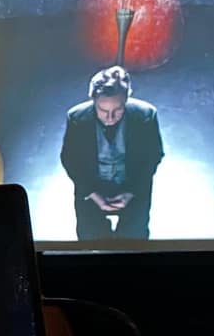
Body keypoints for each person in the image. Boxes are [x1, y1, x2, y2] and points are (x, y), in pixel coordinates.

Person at [60, 65, 164, 240]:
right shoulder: (76, 118)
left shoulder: (146, 116)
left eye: (118, 110)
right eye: (103, 111)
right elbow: (69, 159)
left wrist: (131, 192)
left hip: (134, 186)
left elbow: (153, 157)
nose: (110, 117)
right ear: (93, 101)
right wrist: (93, 193)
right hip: (91, 189)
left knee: (135, 244)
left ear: (127, 99)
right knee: (90, 242)